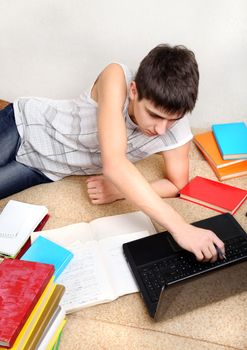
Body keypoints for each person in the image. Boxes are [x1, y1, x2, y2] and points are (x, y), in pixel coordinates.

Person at [0, 43, 225, 261]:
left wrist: (120, 191)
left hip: (45, 168)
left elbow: (177, 184)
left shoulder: (177, 127)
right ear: (134, 91)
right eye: (154, 115)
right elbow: (114, 163)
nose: (161, 129)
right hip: (25, 126)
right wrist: (181, 228)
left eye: (172, 120)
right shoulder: (116, 77)